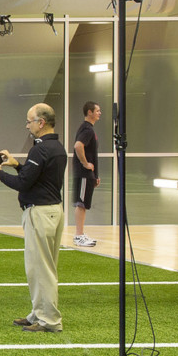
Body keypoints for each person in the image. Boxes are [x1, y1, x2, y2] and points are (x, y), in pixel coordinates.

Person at [0, 103, 68, 334]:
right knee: (43, 267)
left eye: (30, 121)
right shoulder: (56, 147)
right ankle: (38, 313)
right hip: (53, 211)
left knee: (40, 269)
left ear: (41, 122)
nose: (27, 125)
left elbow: (23, 183)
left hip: (41, 213)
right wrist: (15, 164)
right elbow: (34, 177)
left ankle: (49, 320)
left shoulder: (41, 149)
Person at [72, 101, 102, 247]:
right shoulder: (87, 129)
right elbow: (78, 146)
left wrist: (95, 175)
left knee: (83, 203)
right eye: (97, 110)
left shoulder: (89, 129)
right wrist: (85, 164)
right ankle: (78, 236)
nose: (99, 113)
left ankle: (81, 234)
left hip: (88, 174)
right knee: (81, 203)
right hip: (83, 173)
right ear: (89, 112)